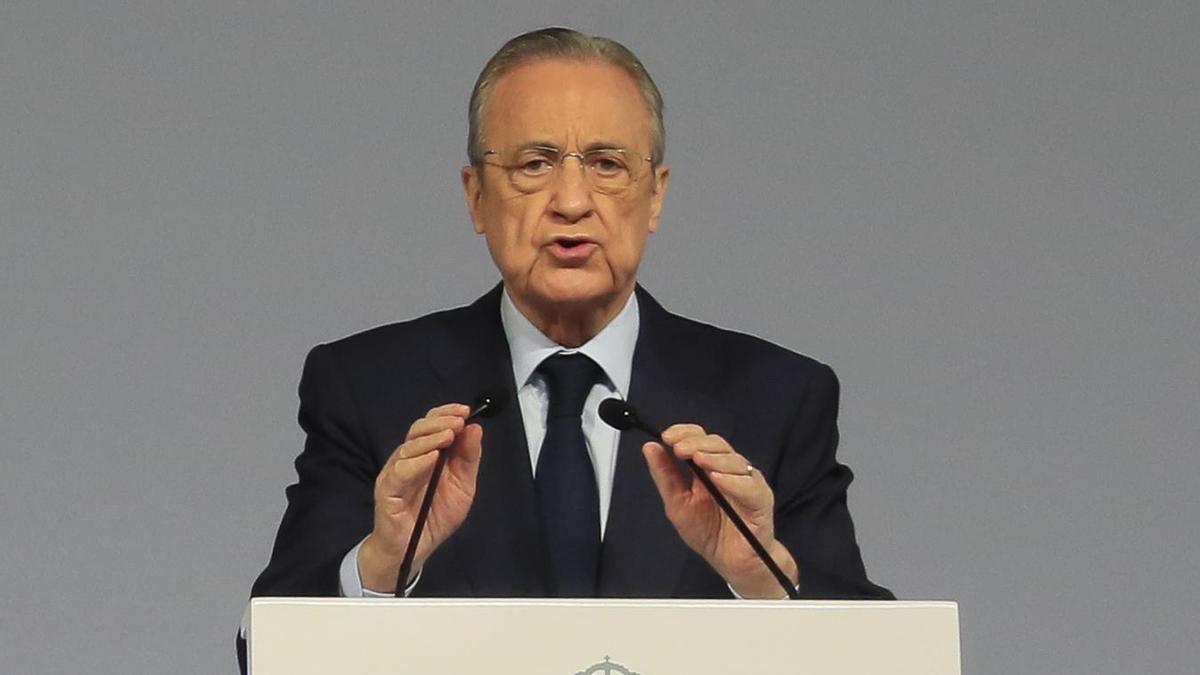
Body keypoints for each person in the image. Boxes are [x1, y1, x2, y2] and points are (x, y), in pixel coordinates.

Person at [242, 25, 891, 671]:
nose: (572, 202)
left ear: (655, 194)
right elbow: (270, 647)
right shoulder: (368, 389)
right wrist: (383, 566)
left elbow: (879, 656)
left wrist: (764, 580)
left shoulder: (776, 399)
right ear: (476, 195)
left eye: (608, 164)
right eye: (534, 164)